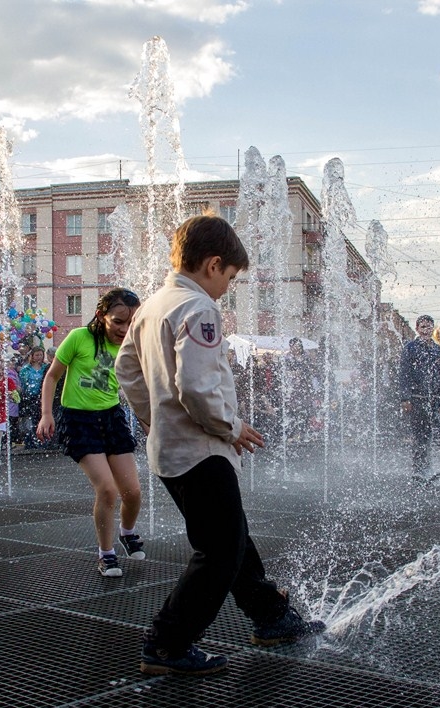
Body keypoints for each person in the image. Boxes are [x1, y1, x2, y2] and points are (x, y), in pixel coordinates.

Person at [116, 214, 324, 676]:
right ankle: (167, 643)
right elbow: (195, 386)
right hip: (201, 450)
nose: (228, 287)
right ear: (212, 265)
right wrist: (230, 425)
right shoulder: (198, 308)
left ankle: (271, 616)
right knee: (220, 551)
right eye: (230, 277)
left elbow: (126, 372)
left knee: (231, 537)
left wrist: (155, 422)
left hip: (171, 451)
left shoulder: (152, 305)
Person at [38, 287, 145, 577]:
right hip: (79, 420)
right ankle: (106, 554)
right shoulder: (79, 338)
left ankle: (127, 532)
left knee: (133, 492)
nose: (125, 328)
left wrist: (147, 421)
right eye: (118, 321)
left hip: (111, 418)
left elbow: (131, 388)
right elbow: (52, 377)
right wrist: (47, 414)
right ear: (101, 315)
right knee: (108, 489)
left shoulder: (129, 346)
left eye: (131, 322)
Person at [398, 314, 440, 481]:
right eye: (423, 327)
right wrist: (405, 398)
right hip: (416, 398)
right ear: (418, 329)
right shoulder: (410, 348)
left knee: (428, 434)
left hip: (431, 399)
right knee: (419, 434)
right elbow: (404, 374)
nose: (427, 330)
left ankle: (427, 468)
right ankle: (418, 469)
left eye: (429, 327)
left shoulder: (437, 350)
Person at [17, 346, 48, 447]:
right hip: (29, 398)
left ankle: (43, 441)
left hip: (42, 397)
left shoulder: (45, 367)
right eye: (37, 355)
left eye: (41, 355)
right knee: (30, 420)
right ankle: (30, 442)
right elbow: (22, 384)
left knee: (41, 418)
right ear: (32, 356)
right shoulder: (26, 369)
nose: (39, 357)